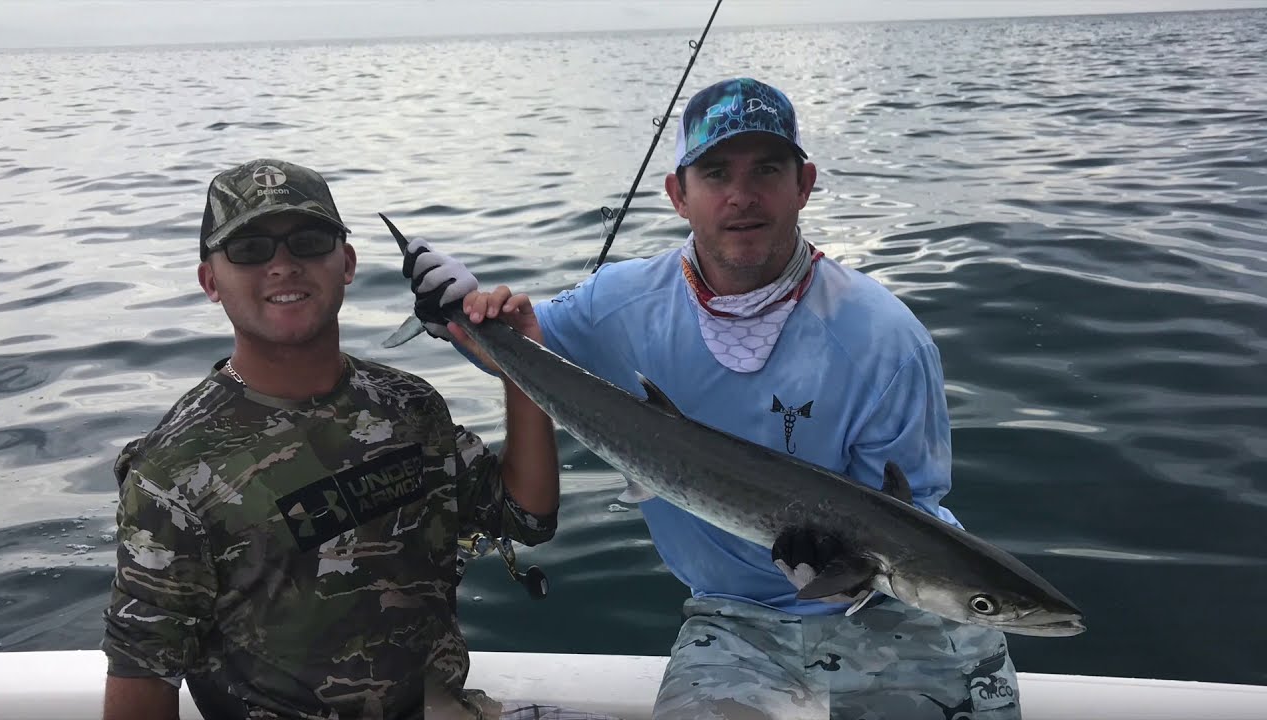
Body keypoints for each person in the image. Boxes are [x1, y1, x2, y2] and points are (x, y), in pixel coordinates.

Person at [407, 78, 1022, 719]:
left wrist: (845, 573)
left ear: (803, 184)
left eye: (767, 169)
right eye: (716, 172)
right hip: (734, 620)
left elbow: (909, 520)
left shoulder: (887, 340)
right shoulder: (617, 304)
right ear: (678, 194)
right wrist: (454, 313)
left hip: (905, 612)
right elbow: (524, 352)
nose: (742, 195)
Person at [99, 158, 609, 720]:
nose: (283, 265)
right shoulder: (172, 469)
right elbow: (143, 671)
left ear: (346, 263)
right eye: (249, 249)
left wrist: (520, 358)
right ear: (210, 281)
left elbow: (526, 516)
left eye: (308, 240)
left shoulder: (409, 404)